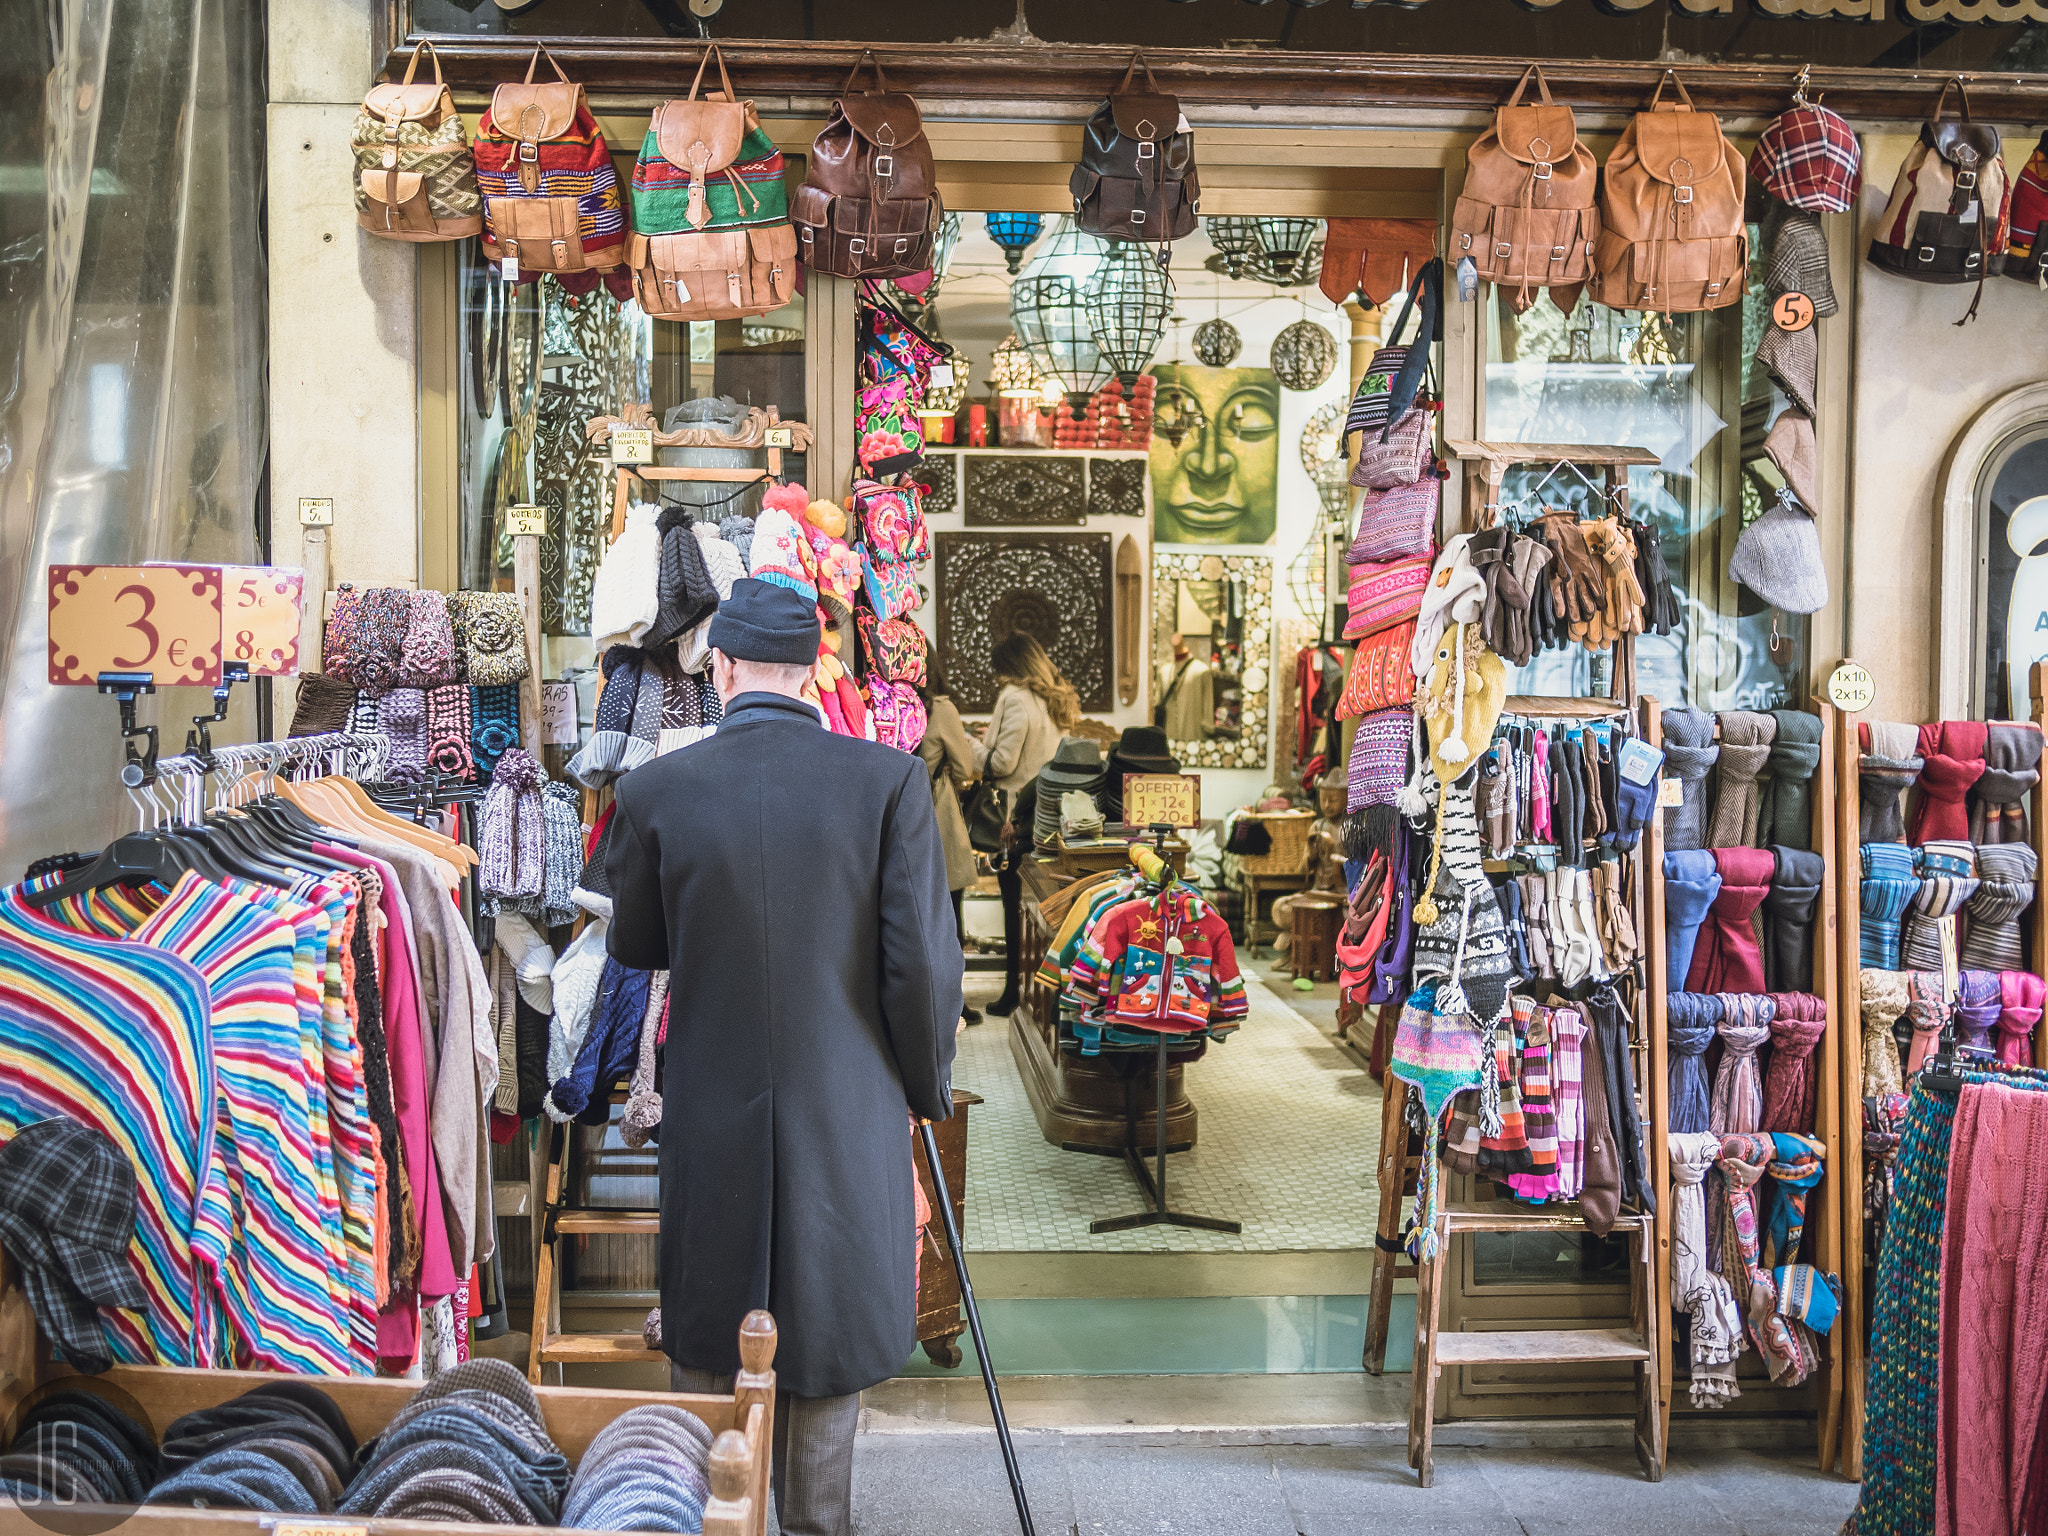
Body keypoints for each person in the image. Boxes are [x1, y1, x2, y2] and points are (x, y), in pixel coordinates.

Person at [605, 578, 963, 1536]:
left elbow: (636, 944)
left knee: (711, 1372)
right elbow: (922, 970)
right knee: (829, 1350)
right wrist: (924, 1089)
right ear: (813, 673)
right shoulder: (886, 784)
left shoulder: (655, 790)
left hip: (714, 1117)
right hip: (845, 1116)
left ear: (719, 666)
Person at [975, 631, 1076, 1017]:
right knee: (1041, 908)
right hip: (1051, 817)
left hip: (1015, 819)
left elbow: (1002, 764)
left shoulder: (1014, 697)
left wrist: (969, 744)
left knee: (1013, 907)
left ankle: (1013, 991)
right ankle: (1039, 991)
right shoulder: (1052, 699)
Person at [918, 666, 982, 1025]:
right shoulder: (940, 707)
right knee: (950, 914)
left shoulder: (891, 698)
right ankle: (954, 1002)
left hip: (898, 811)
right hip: (936, 813)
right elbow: (965, 767)